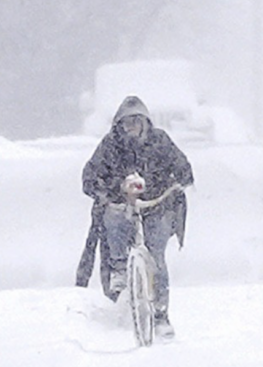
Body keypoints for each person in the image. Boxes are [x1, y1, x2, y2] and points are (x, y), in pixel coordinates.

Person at [80, 95, 194, 339]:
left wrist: (178, 184)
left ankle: (161, 315)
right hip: (123, 207)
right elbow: (89, 177)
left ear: (145, 122)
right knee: (113, 220)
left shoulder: (160, 141)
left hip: (157, 207)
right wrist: (111, 191)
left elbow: (183, 167)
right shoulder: (110, 145)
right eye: (126, 122)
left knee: (157, 258)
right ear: (118, 125)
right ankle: (119, 270)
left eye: (136, 121)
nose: (131, 126)